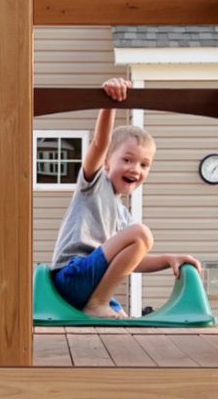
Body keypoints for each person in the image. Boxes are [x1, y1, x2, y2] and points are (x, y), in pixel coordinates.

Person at [50, 77, 202, 319]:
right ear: (107, 164)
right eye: (127, 160)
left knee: (122, 315)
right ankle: (97, 302)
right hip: (72, 275)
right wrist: (110, 102)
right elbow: (100, 144)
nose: (135, 169)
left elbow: (134, 261)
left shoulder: (123, 215)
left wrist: (168, 259)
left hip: (90, 282)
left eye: (144, 164)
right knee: (142, 233)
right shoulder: (93, 184)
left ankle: (99, 302)